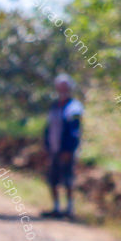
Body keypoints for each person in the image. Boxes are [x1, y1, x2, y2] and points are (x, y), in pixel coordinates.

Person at [42, 73, 83, 219]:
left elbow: (75, 131)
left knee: (68, 180)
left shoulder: (75, 107)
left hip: (67, 150)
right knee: (53, 179)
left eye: (64, 87)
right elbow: (48, 127)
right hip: (53, 149)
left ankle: (70, 209)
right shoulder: (54, 106)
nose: (62, 90)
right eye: (59, 87)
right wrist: (46, 146)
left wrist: (69, 149)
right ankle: (56, 208)